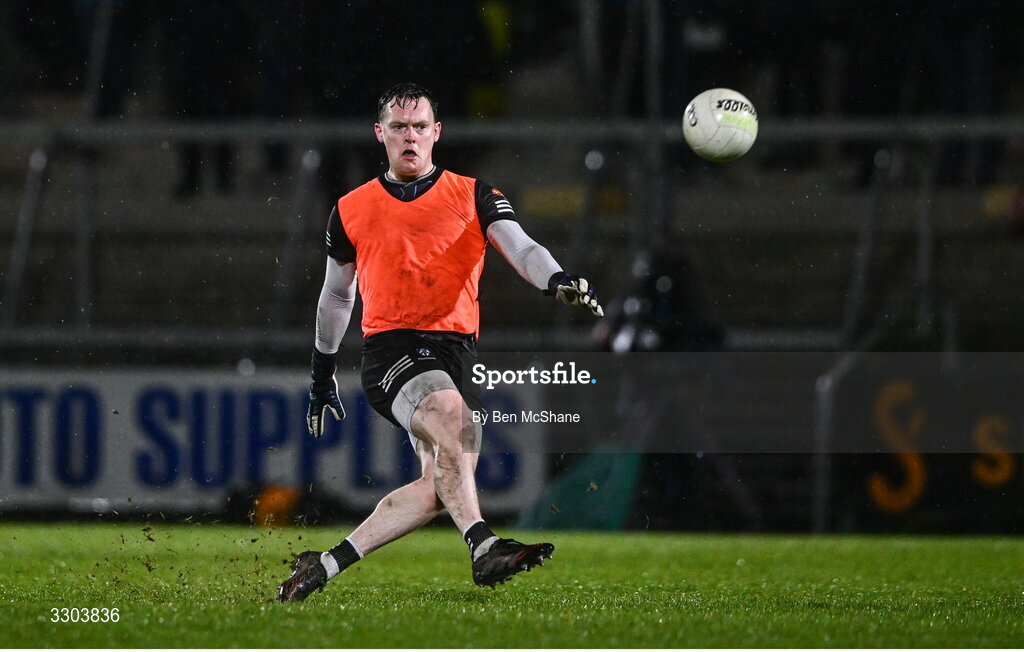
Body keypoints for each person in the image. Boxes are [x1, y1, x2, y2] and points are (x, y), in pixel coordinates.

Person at [277, 83, 604, 602]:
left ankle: (323, 565)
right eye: (400, 127)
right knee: (453, 419)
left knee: (439, 487)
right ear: (380, 133)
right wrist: (321, 374)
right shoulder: (350, 209)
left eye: (420, 126)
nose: (411, 136)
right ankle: (483, 545)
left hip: (456, 352)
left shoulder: (474, 193)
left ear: (437, 133)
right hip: (392, 350)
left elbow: (521, 246)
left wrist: (557, 279)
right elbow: (336, 298)